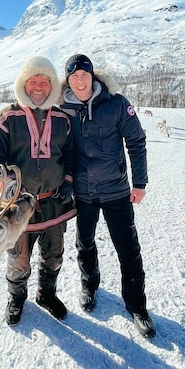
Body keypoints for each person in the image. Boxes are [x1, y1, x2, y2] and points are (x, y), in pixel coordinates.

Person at [60, 53, 156, 338]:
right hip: (83, 192)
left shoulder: (116, 103)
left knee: (128, 248)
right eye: (74, 76)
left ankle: (137, 306)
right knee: (84, 243)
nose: (80, 80)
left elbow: (136, 141)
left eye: (84, 75)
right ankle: (89, 285)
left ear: (93, 77)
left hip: (116, 190)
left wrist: (140, 183)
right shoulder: (62, 108)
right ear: (68, 80)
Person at [0, 56, 77, 326]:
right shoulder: (7, 117)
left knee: (54, 254)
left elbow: (71, 154)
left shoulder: (62, 118)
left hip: (54, 202)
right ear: (23, 84)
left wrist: (68, 181)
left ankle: (47, 294)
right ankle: (16, 297)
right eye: (33, 81)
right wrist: (7, 185)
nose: (38, 87)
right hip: (18, 206)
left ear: (52, 86)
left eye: (44, 81)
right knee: (19, 257)